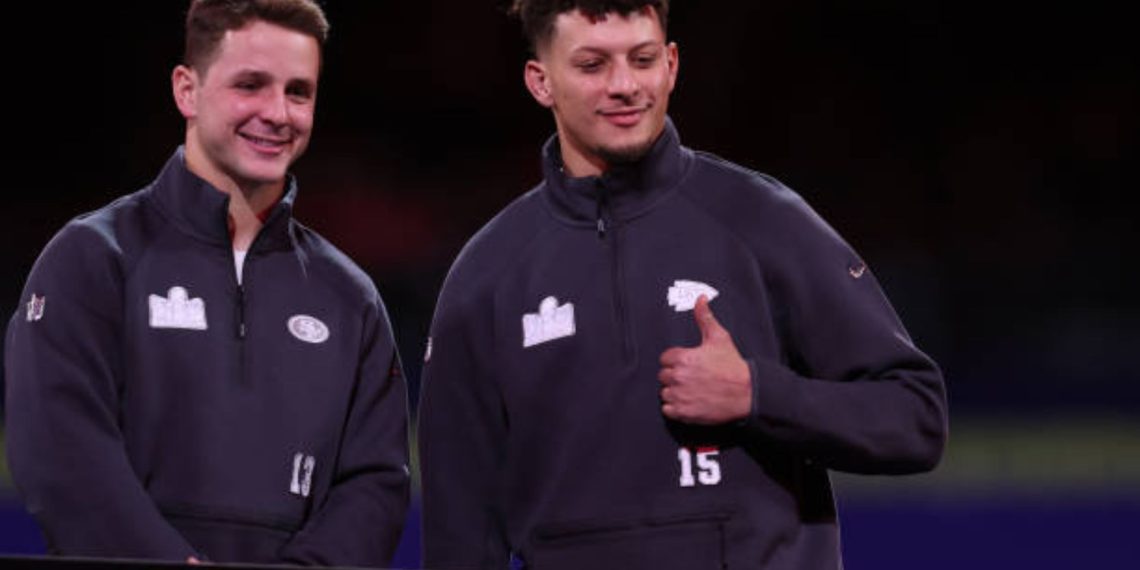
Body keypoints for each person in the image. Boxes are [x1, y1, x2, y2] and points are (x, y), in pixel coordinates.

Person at [417, 1, 948, 568]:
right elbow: (460, 529)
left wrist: (756, 394)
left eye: (642, 59)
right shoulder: (487, 275)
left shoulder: (763, 221)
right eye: (592, 65)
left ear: (671, 64)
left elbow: (914, 417)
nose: (624, 86)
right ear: (540, 81)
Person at [3, 1, 409, 566]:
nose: (277, 113)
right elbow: (59, 451)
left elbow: (376, 481)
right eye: (250, 84)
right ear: (186, 90)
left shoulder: (349, 297)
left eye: (299, 91)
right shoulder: (92, 259)